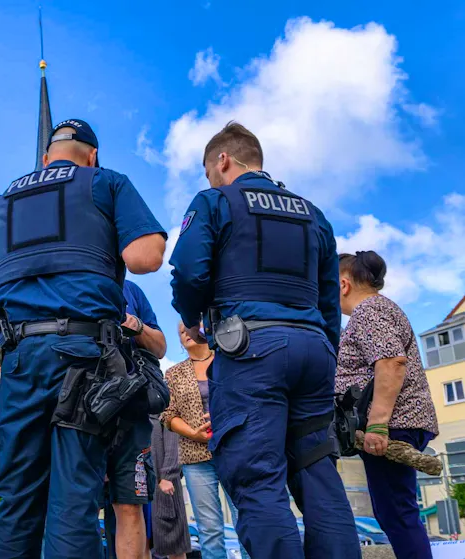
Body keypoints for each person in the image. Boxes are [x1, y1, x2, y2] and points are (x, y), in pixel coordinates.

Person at [0, 118, 167, 558]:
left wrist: (29, 271)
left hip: (19, 360)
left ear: (46, 158)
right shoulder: (104, 182)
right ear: (92, 156)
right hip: (83, 360)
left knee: (17, 499)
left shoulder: (3, 200)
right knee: (74, 498)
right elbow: (145, 257)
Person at [169, 122, 359, 558]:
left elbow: (189, 271)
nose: (210, 179)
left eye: (208, 170)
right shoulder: (313, 213)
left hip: (252, 351)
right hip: (315, 351)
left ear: (223, 161)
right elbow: (329, 297)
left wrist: (193, 320)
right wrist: (327, 349)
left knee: (257, 477)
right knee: (318, 474)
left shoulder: (215, 200)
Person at [336, 251, 439, 559]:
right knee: (394, 512)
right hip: (400, 422)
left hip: (394, 425)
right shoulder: (379, 309)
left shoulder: (368, 311)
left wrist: (378, 424)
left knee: (397, 514)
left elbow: (392, 362)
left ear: (343, 285)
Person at [160, 323, 245, 559]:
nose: (185, 334)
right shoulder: (174, 373)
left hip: (233, 450)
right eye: (180, 333)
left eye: (188, 328)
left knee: (246, 519)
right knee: (209, 530)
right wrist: (193, 433)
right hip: (195, 457)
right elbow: (168, 414)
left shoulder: (228, 361)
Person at [104, 280, 168, 559]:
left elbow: (161, 347)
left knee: (130, 505)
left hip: (130, 412)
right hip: (78, 412)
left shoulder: (132, 290)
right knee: (74, 506)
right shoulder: (70, 276)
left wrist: (137, 326)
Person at [150, 413, 191, 559]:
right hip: (142, 483)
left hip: (165, 481)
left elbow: (174, 441)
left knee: (174, 540)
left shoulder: (163, 401)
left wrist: (168, 475)